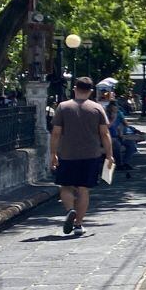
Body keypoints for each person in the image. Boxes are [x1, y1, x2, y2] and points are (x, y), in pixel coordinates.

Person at [50, 77, 114, 237]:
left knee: (65, 186)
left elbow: (56, 133)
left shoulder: (63, 107)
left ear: (75, 89)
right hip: (90, 154)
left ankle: (70, 209)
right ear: (91, 91)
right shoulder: (97, 108)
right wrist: (109, 155)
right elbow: (105, 133)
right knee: (84, 189)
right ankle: (78, 224)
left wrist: (53, 154)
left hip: (67, 154)